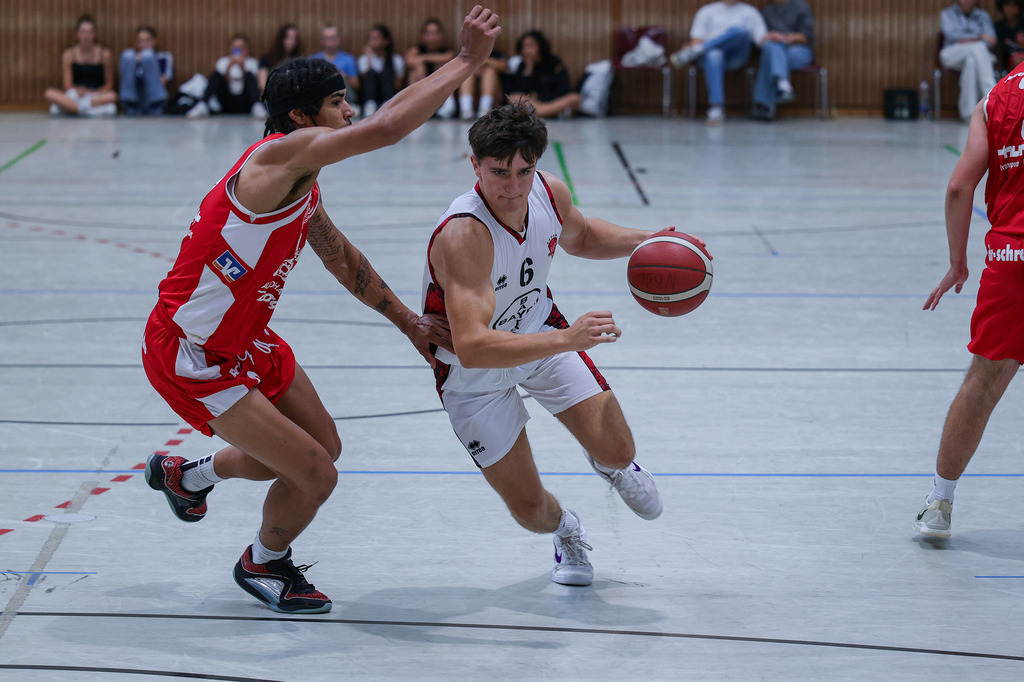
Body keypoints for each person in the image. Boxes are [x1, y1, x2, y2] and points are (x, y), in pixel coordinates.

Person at [143, 6, 501, 614]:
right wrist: (465, 62)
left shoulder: (298, 181)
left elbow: (340, 257)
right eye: (338, 103)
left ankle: (190, 475)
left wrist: (409, 321)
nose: (350, 112)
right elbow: (388, 129)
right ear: (303, 118)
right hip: (192, 353)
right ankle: (264, 563)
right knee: (315, 475)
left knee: (321, 448)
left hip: (246, 339)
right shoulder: (275, 160)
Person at [421, 101, 688, 586]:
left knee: (619, 448)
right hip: (473, 372)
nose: (513, 187)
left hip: (538, 330)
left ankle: (608, 463)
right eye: (499, 172)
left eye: (525, 172)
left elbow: (582, 236)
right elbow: (474, 346)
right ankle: (565, 530)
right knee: (528, 509)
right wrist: (565, 337)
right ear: (474, 163)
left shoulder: (547, 192)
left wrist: (647, 241)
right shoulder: (465, 234)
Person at [914, 61, 1024, 539]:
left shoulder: (996, 98)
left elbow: (960, 186)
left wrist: (958, 263)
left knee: (982, 383)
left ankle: (940, 503)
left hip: (1012, 256)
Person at [668, 0, 767, 124]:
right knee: (715, 54)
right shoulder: (707, 11)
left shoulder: (751, 12)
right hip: (709, 59)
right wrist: (695, 45)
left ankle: (694, 52)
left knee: (742, 31)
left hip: (737, 59)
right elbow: (697, 38)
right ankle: (716, 107)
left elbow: (761, 41)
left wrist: (777, 38)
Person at [752, 0, 815, 121]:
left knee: (770, 58)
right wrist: (771, 36)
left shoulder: (801, 6)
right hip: (775, 50)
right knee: (771, 49)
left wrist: (785, 38)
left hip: (797, 51)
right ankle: (783, 84)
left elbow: (807, 37)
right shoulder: (768, 11)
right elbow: (762, 38)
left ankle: (766, 106)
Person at [44, 15, 118, 117]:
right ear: (77, 34)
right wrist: (78, 90)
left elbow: (109, 84)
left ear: (94, 34)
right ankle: (82, 110)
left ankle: (73, 109)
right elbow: (67, 85)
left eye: (89, 32)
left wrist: (95, 91)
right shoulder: (69, 55)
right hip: (76, 94)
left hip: (96, 96)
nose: (86, 36)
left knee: (112, 96)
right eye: (83, 32)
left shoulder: (104, 54)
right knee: (49, 93)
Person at [940, 0, 998, 121]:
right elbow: (951, 35)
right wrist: (979, 36)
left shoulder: (983, 15)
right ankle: (993, 98)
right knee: (979, 47)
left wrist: (970, 38)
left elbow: (992, 40)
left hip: (976, 54)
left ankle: (969, 114)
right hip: (952, 52)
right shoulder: (947, 14)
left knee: (972, 61)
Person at [502, 31, 580, 119]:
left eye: (531, 46)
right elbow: (518, 90)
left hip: (550, 101)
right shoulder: (521, 65)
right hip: (533, 103)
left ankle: (540, 112)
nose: (527, 51)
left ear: (540, 46)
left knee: (574, 98)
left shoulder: (553, 63)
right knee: (514, 97)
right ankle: (545, 112)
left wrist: (541, 97)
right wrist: (528, 70)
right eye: (524, 47)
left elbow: (564, 88)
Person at [186, 34, 264, 119]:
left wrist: (243, 68)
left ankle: (257, 106)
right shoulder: (223, 61)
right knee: (216, 74)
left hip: (245, 101)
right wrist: (229, 67)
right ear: (231, 48)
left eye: (241, 47)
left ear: (247, 49)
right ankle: (203, 105)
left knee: (250, 75)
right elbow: (220, 83)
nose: (238, 50)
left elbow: (253, 84)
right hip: (227, 100)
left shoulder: (252, 62)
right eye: (235, 47)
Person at [405, 18, 458, 118]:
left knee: (444, 66)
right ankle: (417, 103)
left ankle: (448, 104)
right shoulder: (417, 49)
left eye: (435, 33)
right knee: (415, 68)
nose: (432, 37)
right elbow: (408, 59)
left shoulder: (446, 50)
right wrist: (420, 64)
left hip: (440, 90)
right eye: (429, 33)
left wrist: (424, 58)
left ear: (441, 35)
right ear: (424, 36)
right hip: (423, 87)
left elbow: (449, 57)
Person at [119, 25, 173, 116]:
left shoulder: (164, 57)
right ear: (136, 43)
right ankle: (130, 102)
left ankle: (154, 104)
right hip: (135, 99)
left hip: (154, 99)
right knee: (127, 54)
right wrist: (136, 62)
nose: (144, 44)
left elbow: (164, 80)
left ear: (155, 41)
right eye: (140, 41)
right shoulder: (132, 58)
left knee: (147, 55)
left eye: (148, 41)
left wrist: (147, 62)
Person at [357, 24, 404, 117]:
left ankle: (386, 105)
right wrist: (369, 58)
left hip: (388, 94)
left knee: (386, 73)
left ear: (386, 41)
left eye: (376, 38)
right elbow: (363, 80)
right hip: (369, 95)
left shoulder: (396, 60)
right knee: (371, 73)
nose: (372, 41)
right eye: (370, 38)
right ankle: (370, 105)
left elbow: (398, 84)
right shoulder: (364, 59)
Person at [311, 25, 360, 108]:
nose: (330, 41)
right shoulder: (314, 60)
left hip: (346, 98)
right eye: (327, 38)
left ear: (339, 39)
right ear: (322, 40)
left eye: (333, 38)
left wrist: (343, 76)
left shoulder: (348, 59)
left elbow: (356, 85)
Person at [258, 24, 302, 92]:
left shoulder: (299, 61)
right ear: (281, 38)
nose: (291, 42)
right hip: (272, 97)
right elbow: (262, 85)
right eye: (288, 37)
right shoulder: (266, 59)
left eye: (294, 39)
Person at [995, 0, 1024, 71]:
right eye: (1007, 5)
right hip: (1006, 63)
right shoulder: (999, 27)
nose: (1010, 9)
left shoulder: (1022, 24)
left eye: (1013, 6)